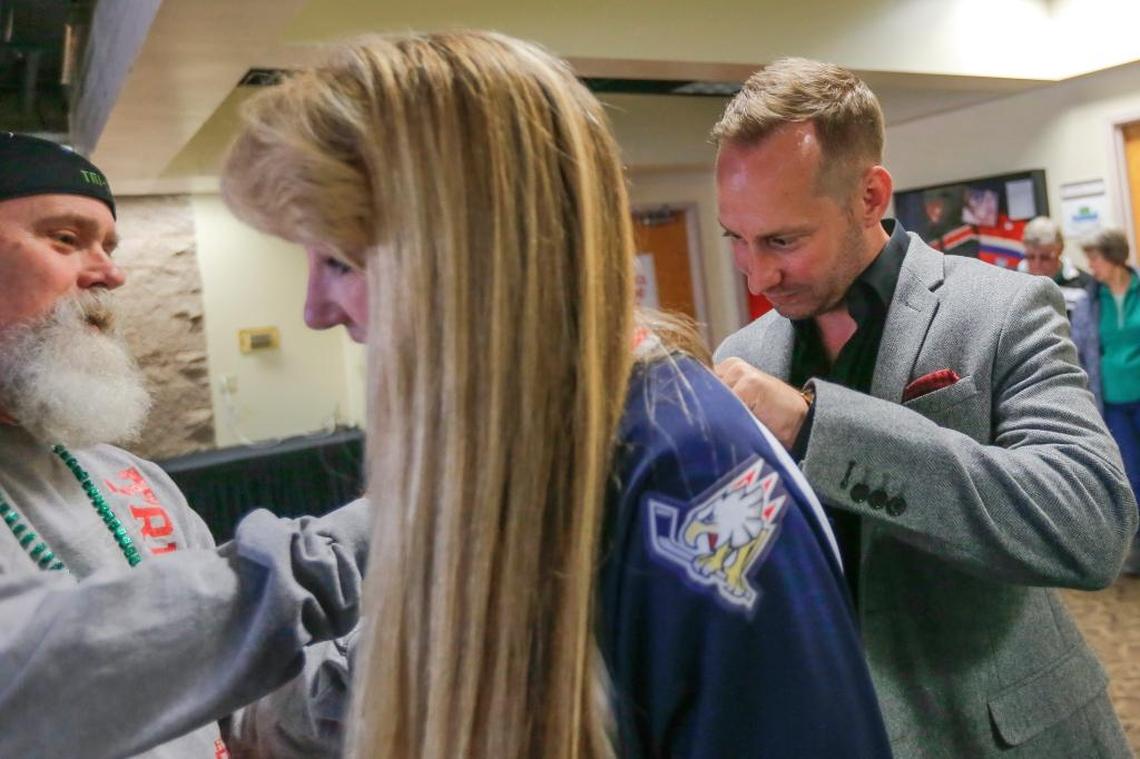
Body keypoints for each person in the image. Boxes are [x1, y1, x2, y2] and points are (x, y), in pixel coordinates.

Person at [220, 31, 892, 759]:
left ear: (473, 256)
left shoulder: (684, 471)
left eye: (343, 261)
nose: (316, 309)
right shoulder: (533, 448)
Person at [711, 58, 1136, 757]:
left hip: (1002, 736)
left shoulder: (1003, 309)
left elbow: (1091, 525)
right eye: (737, 239)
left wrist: (820, 428)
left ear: (870, 194)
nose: (758, 275)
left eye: (784, 239)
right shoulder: (745, 352)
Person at [0, 131, 368, 758]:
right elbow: (27, 688)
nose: (112, 273)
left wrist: (372, 667)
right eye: (65, 238)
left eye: (109, 247)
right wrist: (385, 528)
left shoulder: (129, 477)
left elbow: (245, 722)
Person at [1071, 228, 1140, 574]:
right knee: (1130, 474)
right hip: (1111, 400)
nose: (1091, 266)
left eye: (1095, 258)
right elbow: (1081, 353)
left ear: (1114, 257)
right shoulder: (1088, 303)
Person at [1019, 215, 1093, 316]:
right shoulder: (1013, 281)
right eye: (1030, 257)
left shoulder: (1085, 284)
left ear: (1060, 250)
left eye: (1045, 257)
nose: (1037, 264)